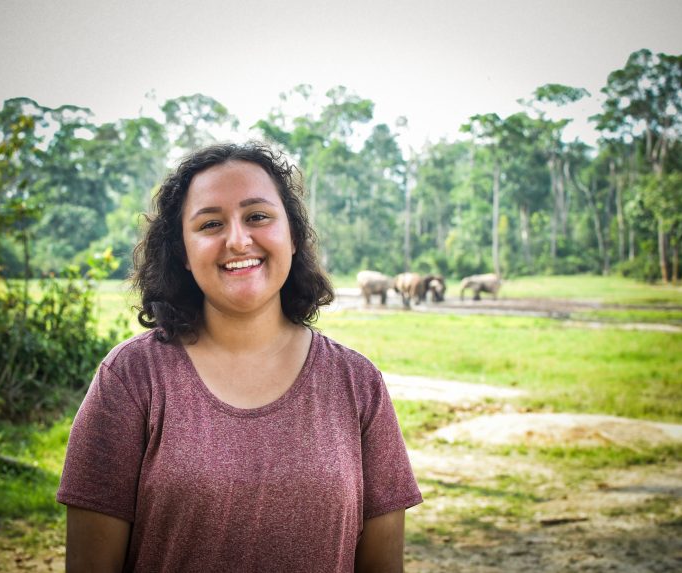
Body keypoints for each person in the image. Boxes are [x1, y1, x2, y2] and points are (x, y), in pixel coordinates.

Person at [57, 141, 423, 572]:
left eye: (257, 217)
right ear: (183, 253)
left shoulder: (357, 383)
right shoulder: (130, 379)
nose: (237, 239)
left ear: (293, 236)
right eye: (211, 224)